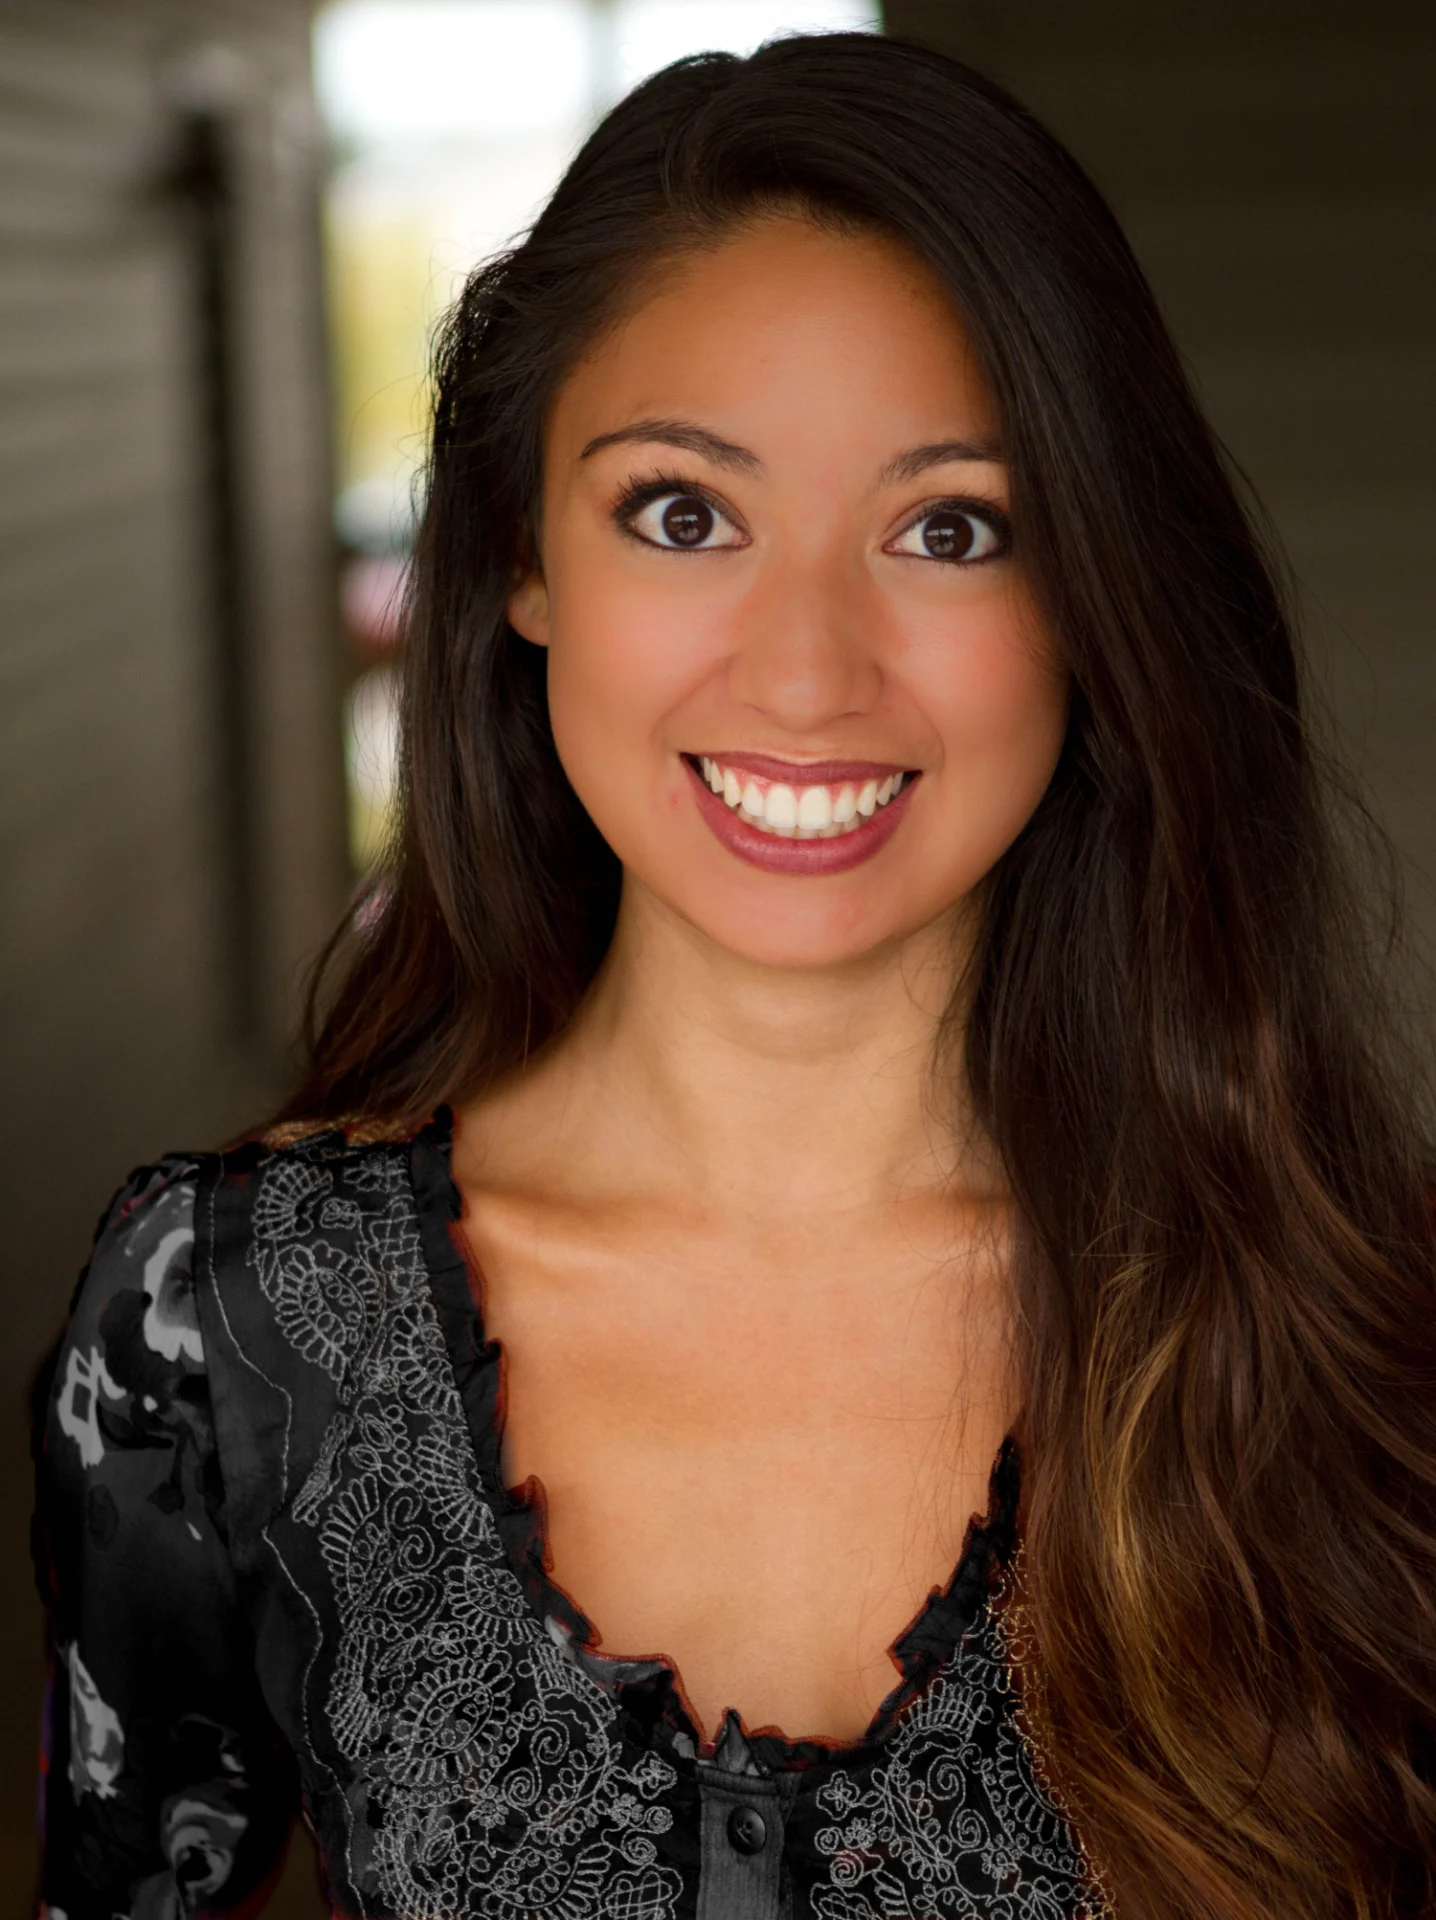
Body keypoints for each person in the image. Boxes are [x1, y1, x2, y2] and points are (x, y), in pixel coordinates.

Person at [32, 30, 1436, 1920]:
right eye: (685, 513)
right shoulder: (214, 1327)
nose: (804, 672)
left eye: (951, 528)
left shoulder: (1357, 1335)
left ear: (1095, 595)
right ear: (524, 553)